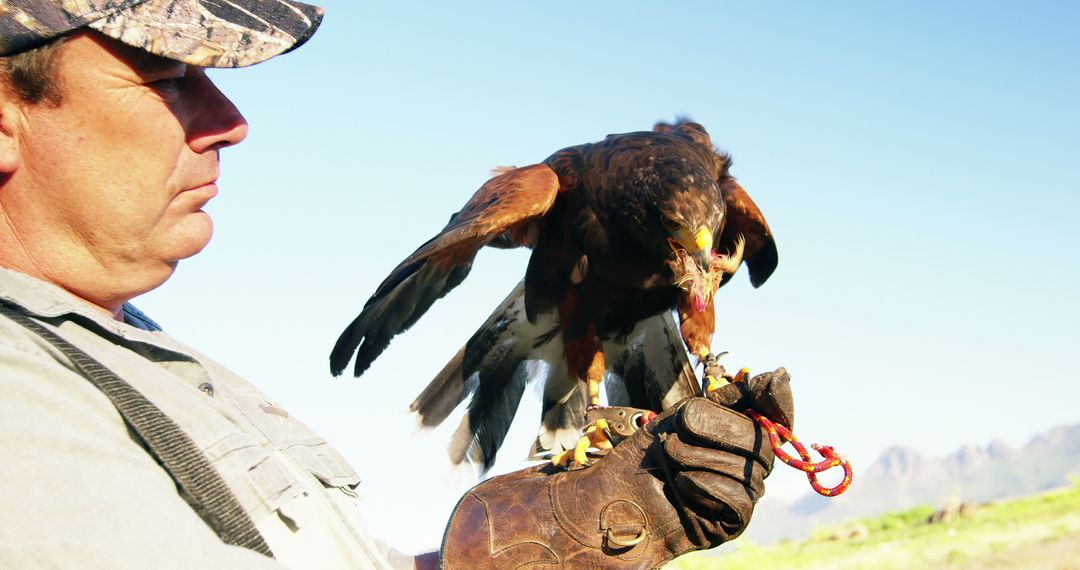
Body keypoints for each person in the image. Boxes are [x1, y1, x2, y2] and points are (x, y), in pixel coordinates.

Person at [0, 1, 791, 568]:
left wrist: (573, 536)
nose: (231, 119)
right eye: (167, 72)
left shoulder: (132, 350)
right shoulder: (22, 406)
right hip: (573, 307)